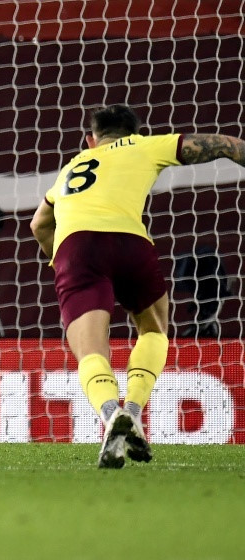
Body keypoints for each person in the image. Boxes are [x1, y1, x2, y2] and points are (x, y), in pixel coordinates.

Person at [29, 104, 245, 468]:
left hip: (78, 250)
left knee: (91, 352)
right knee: (154, 330)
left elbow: (39, 224)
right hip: (130, 242)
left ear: (91, 139)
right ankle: (133, 409)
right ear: (134, 133)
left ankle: (111, 413)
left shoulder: (72, 167)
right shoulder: (144, 145)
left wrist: (63, 261)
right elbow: (220, 143)